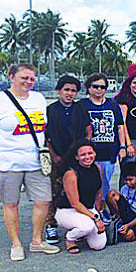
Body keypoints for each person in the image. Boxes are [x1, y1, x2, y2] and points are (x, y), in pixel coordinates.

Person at [0, 64, 61, 261]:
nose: (28, 82)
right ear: (11, 77)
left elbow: (42, 128)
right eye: (24, 78)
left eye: (32, 79)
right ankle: (16, 244)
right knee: (11, 203)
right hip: (7, 163)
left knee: (43, 201)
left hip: (36, 162)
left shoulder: (38, 99)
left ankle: (37, 241)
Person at [71, 73, 127, 200]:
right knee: (88, 182)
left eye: (102, 87)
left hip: (109, 151)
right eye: (95, 86)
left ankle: (103, 209)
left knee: (105, 183)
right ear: (88, 88)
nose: (99, 90)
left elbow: (120, 127)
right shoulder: (81, 105)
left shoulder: (112, 104)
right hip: (89, 153)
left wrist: (122, 147)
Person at [44, 74, 81, 244]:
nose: (70, 93)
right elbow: (45, 136)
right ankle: (50, 224)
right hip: (56, 159)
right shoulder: (50, 110)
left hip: (76, 158)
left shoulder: (80, 109)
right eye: (66, 89)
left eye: (73, 90)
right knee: (52, 192)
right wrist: (54, 156)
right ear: (59, 91)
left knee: (75, 191)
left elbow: (88, 130)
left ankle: (76, 225)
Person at [55, 140, 106, 253]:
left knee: (99, 245)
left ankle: (82, 233)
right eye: (83, 154)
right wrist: (95, 218)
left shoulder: (97, 168)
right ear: (76, 157)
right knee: (87, 226)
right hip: (67, 210)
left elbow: (98, 192)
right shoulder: (71, 173)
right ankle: (71, 238)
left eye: (90, 153)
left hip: (88, 208)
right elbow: (75, 203)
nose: (87, 157)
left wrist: (97, 212)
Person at [105, 161, 136, 242]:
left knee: (128, 236)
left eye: (130, 180)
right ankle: (117, 221)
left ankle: (119, 230)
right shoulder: (124, 188)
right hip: (130, 212)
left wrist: (128, 225)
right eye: (126, 180)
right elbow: (122, 204)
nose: (128, 182)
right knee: (111, 194)